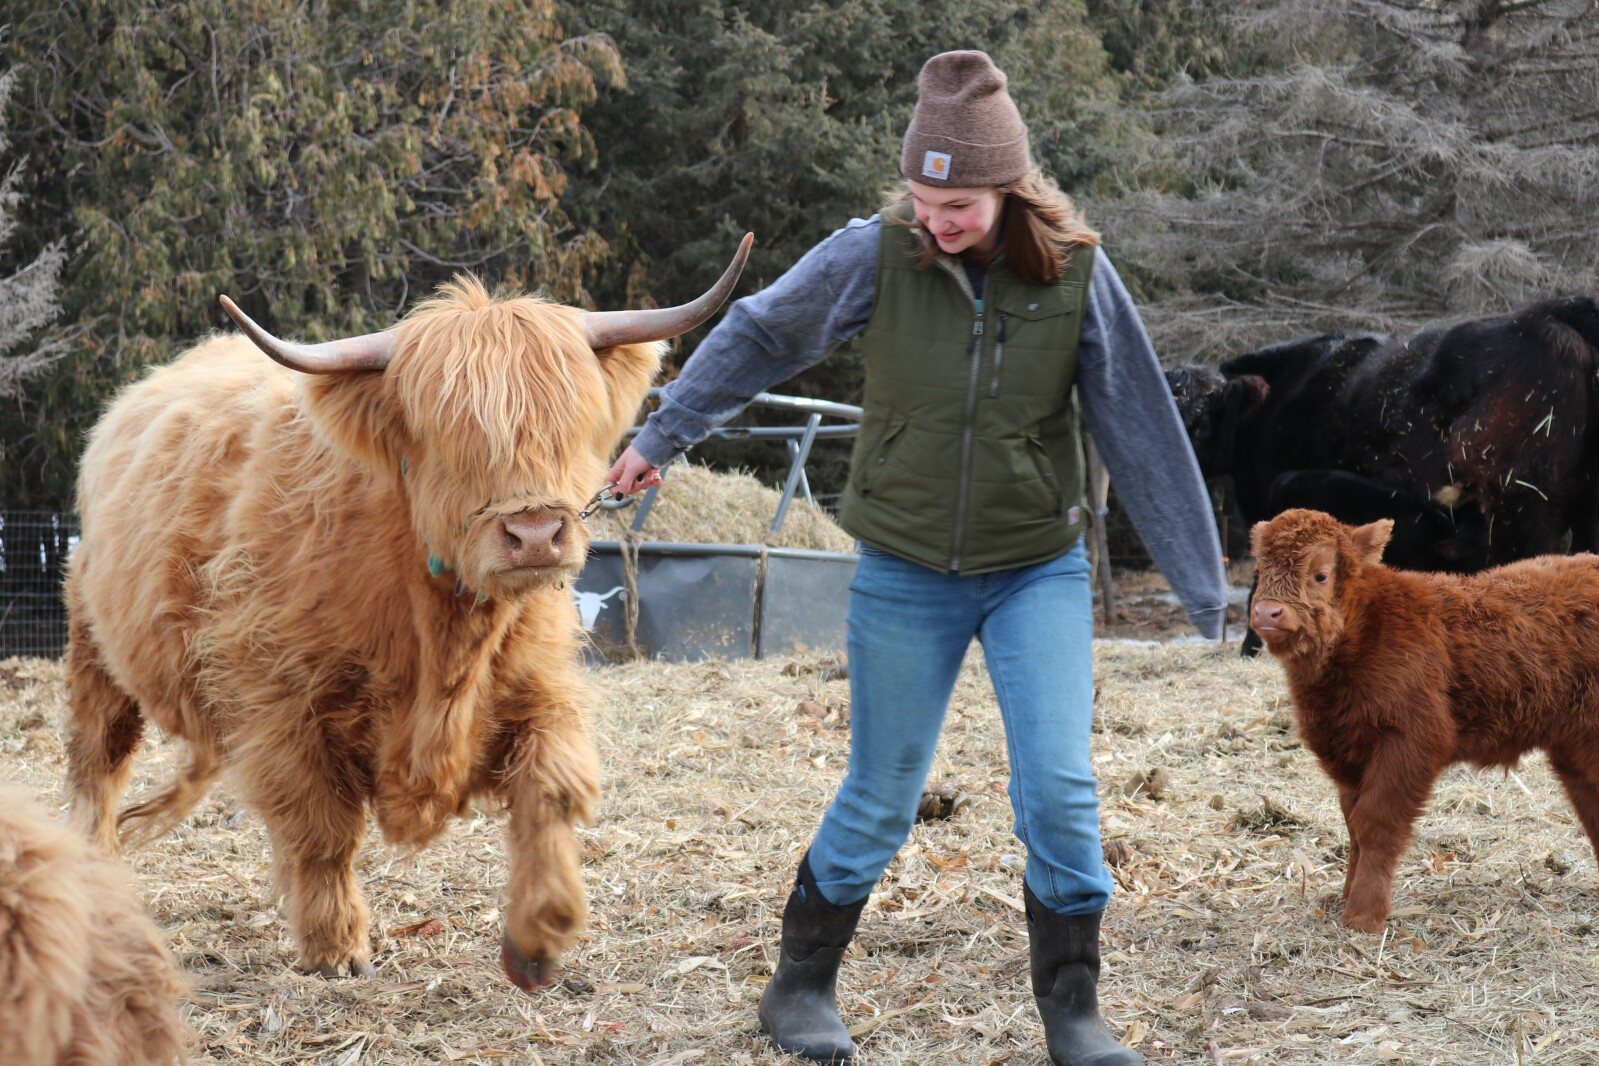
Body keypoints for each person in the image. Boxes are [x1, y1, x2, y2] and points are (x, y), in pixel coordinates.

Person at [608, 50, 1226, 1066]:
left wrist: (1203, 588)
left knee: (1060, 788)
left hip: (1034, 565)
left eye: (961, 204)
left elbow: (1141, 425)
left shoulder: (1077, 272)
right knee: (882, 790)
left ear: (1010, 187)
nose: (939, 221)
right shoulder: (877, 252)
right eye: (926, 198)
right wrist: (659, 436)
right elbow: (763, 334)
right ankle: (798, 987)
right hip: (903, 570)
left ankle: (1073, 1006)